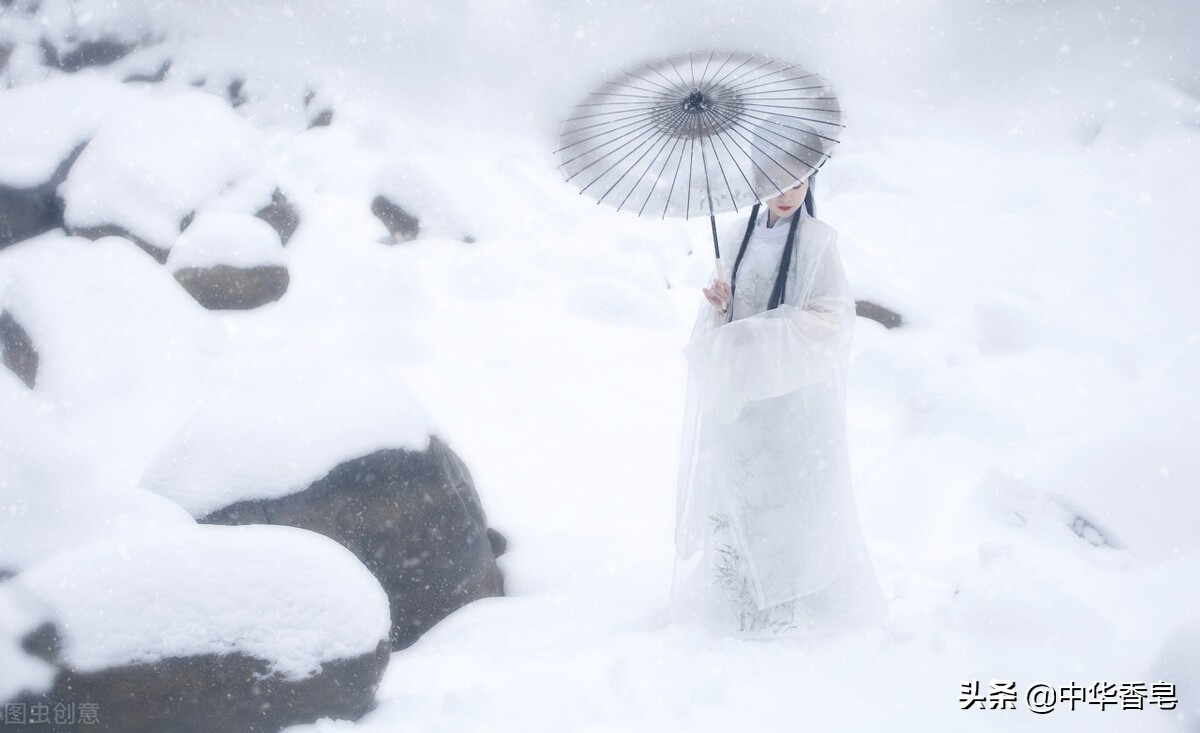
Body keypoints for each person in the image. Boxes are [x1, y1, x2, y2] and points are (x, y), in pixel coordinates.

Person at [668, 173, 889, 638]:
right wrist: (722, 306)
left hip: (792, 402)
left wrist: (763, 333)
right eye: (775, 182)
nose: (787, 195)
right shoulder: (732, 237)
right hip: (743, 398)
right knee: (740, 490)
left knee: (787, 497)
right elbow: (724, 323)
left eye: (798, 183)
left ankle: (788, 602)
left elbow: (833, 318)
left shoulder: (817, 244)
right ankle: (738, 596)